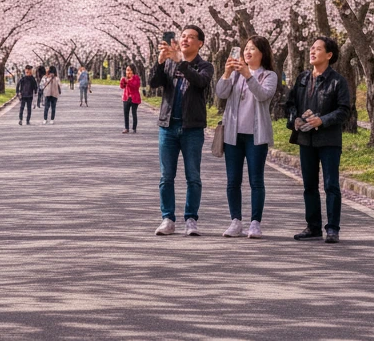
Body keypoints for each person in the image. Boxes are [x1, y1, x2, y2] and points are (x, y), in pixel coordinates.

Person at [285, 35, 353, 243]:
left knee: (331, 184)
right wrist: (295, 119)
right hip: (306, 139)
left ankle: (332, 228)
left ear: (329, 55)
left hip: (329, 140)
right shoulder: (303, 79)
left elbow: (344, 110)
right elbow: (290, 104)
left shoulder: (338, 81)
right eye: (311, 48)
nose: (312, 51)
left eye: (318, 49)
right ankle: (313, 227)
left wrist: (322, 120)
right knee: (309, 185)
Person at [149, 26, 213, 236]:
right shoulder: (169, 63)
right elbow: (153, 83)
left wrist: (181, 62)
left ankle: (191, 219)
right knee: (166, 176)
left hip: (192, 128)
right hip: (168, 126)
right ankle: (167, 218)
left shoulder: (205, 66)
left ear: (200, 43)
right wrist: (160, 62)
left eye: (191, 37)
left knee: (193, 176)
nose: (185, 40)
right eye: (183, 36)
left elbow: (200, 82)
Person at [215, 37, 279, 239]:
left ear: (262, 53)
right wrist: (227, 73)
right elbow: (220, 93)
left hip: (256, 136)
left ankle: (255, 223)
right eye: (246, 49)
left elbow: (263, 95)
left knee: (256, 180)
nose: (248, 52)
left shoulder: (269, 75)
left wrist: (248, 75)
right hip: (232, 135)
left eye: (253, 49)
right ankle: (235, 221)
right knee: (233, 180)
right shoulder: (235, 75)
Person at [119, 65, 142, 133]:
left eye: (129, 70)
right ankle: (126, 128)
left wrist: (128, 81)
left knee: (134, 113)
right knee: (126, 113)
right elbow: (122, 87)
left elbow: (135, 86)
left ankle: (134, 128)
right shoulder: (126, 78)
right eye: (127, 70)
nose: (128, 71)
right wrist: (122, 81)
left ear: (132, 70)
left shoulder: (136, 78)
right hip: (126, 98)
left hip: (134, 98)